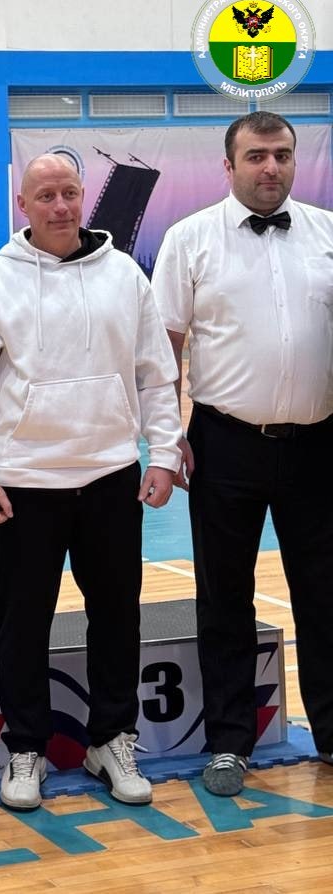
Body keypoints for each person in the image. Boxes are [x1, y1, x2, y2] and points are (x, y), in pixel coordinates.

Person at [0, 154, 181, 810]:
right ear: (23, 205)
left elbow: (155, 373)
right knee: (24, 623)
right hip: (26, 484)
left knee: (117, 617)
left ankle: (112, 739)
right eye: (45, 195)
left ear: (83, 197)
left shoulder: (125, 276)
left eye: (69, 192)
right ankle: (26, 748)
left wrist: (163, 453)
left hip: (111, 476)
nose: (60, 206)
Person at [151, 111, 333, 796]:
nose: (271, 167)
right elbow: (162, 349)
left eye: (282, 154)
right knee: (224, 596)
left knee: (325, 594)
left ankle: (332, 731)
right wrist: (165, 438)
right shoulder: (190, 238)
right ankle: (229, 742)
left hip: (319, 444)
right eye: (256, 156)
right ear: (228, 166)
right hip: (224, 444)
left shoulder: (327, 233)